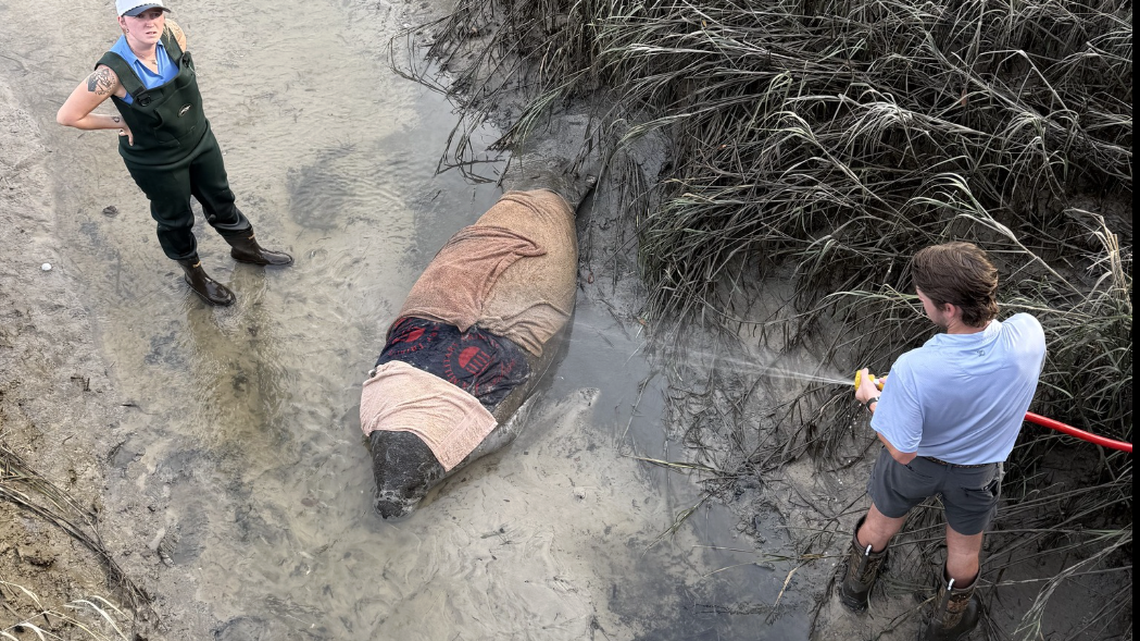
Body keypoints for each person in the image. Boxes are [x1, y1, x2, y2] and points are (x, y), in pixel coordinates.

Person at [841, 242, 1046, 641]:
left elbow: (901, 448)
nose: (921, 305)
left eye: (924, 300)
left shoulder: (916, 367)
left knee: (879, 525)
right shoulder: (1029, 333)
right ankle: (945, 625)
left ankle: (853, 592)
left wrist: (874, 398)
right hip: (979, 472)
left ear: (948, 309)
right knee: (966, 551)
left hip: (915, 468)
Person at [57, 0, 291, 307]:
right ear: (122, 22)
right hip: (157, 161)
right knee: (176, 220)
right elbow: (68, 116)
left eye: (155, 14)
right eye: (139, 16)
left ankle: (247, 249)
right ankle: (195, 275)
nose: (150, 22)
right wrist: (119, 120)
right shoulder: (111, 74)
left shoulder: (173, 35)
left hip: (199, 139)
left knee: (221, 197)